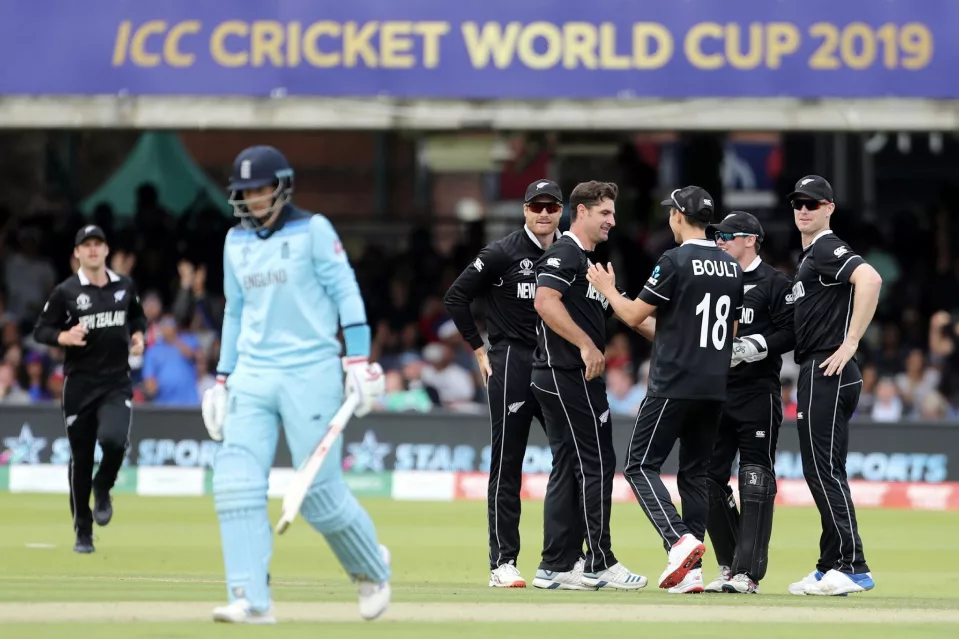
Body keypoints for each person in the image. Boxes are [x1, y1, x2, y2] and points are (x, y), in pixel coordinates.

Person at [200, 146, 389, 624]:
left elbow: (346, 291)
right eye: (244, 193)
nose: (253, 200)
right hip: (253, 374)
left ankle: (371, 569)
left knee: (319, 495)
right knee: (236, 484)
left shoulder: (314, 230)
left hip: (311, 371)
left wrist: (359, 360)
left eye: (260, 190)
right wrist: (223, 377)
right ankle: (250, 598)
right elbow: (235, 311)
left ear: (281, 188)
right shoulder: (234, 242)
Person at [588, 186, 743, 594]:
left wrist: (609, 291)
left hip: (673, 382)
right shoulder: (731, 266)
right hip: (713, 385)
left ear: (678, 215)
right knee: (694, 475)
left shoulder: (675, 260)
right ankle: (691, 573)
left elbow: (636, 312)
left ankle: (678, 541)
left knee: (639, 465)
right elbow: (723, 332)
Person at [443, 179, 564, 588]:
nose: (544, 213)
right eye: (537, 206)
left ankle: (564, 562)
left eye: (551, 206)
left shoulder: (572, 252)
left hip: (559, 364)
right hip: (512, 359)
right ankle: (503, 563)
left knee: (571, 461)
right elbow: (456, 298)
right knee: (507, 462)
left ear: (561, 210)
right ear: (526, 210)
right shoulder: (502, 251)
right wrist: (479, 349)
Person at [530, 180, 649, 591]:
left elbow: (631, 316)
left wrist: (683, 343)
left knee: (568, 464)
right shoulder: (565, 252)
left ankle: (556, 565)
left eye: (613, 214)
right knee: (597, 463)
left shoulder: (592, 265)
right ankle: (600, 561)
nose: (612, 222)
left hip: (561, 376)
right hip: (568, 374)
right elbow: (544, 301)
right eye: (605, 213)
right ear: (581, 212)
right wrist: (585, 345)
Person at [785, 175, 881, 596]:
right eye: (798, 203)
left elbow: (871, 279)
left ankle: (853, 565)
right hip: (826, 369)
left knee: (821, 470)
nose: (803, 210)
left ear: (829, 207)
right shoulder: (811, 255)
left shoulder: (825, 246)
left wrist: (851, 342)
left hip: (827, 369)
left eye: (812, 203)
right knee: (827, 469)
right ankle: (829, 565)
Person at [32, 225, 146, 554]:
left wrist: (138, 336)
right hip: (80, 385)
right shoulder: (66, 292)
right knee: (81, 459)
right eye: (87, 245)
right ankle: (83, 531)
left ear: (106, 250)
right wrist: (63, 337)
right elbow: (42, 330)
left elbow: (137, 319)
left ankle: (104, 485)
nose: (93, 250)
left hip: (115, 382)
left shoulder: (124, 286)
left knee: (113, 441)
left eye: (98, 244)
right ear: (77, 254)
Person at [699, 212, 795, 594]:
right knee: (705, 478)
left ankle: (747, 573)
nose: (719, 240)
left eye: (726, 235)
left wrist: (759, 345)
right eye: (716, 235)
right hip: (715, 392)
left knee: (754, 478)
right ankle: (730, 563)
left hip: (757, 392)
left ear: (751, 239)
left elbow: (793, 330)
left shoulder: (774, 282)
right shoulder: (712, 279)